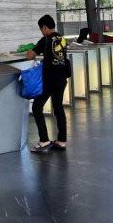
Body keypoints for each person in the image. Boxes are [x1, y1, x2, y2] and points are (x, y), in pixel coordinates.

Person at [25, 14, 69, 154]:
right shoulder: (62, 38)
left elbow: (31, 55)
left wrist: (28, 51)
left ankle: (44, 140)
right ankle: (61, 141)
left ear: (44, 27)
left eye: (41, 29)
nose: (41, 32)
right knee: (58, 107)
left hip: (50, 80)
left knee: (37, 107)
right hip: (62, 79)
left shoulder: (45, 40)